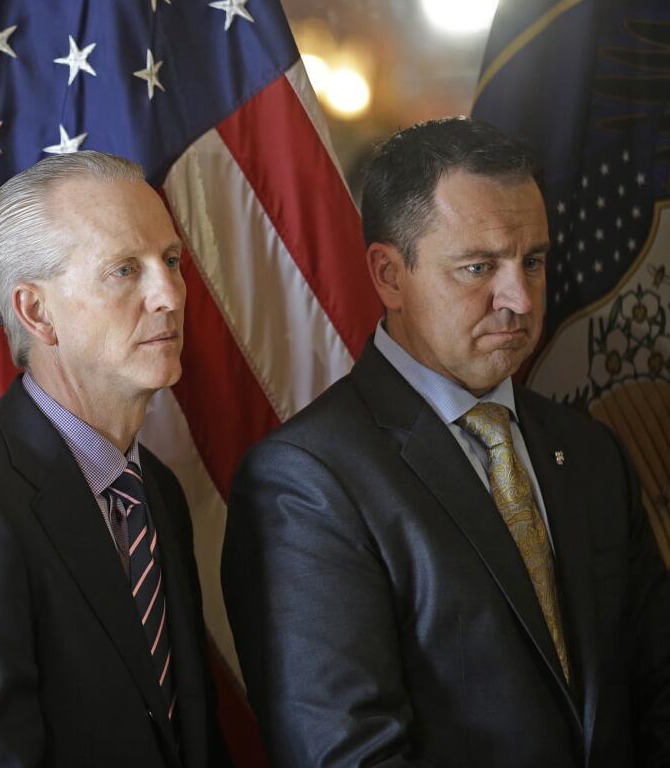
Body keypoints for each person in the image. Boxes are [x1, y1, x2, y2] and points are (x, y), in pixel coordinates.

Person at [222, 117, 670, 766]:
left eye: (534, 261)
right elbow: (348, 751)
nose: (518, 297)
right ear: (388, 275)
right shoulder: (306, 480)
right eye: (478, 267)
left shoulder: (591, 451)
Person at [0, 152, 230, 768]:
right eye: (123, 270)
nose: (169, 294)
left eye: (170, 261)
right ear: (37, 312)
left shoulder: (153, 490)